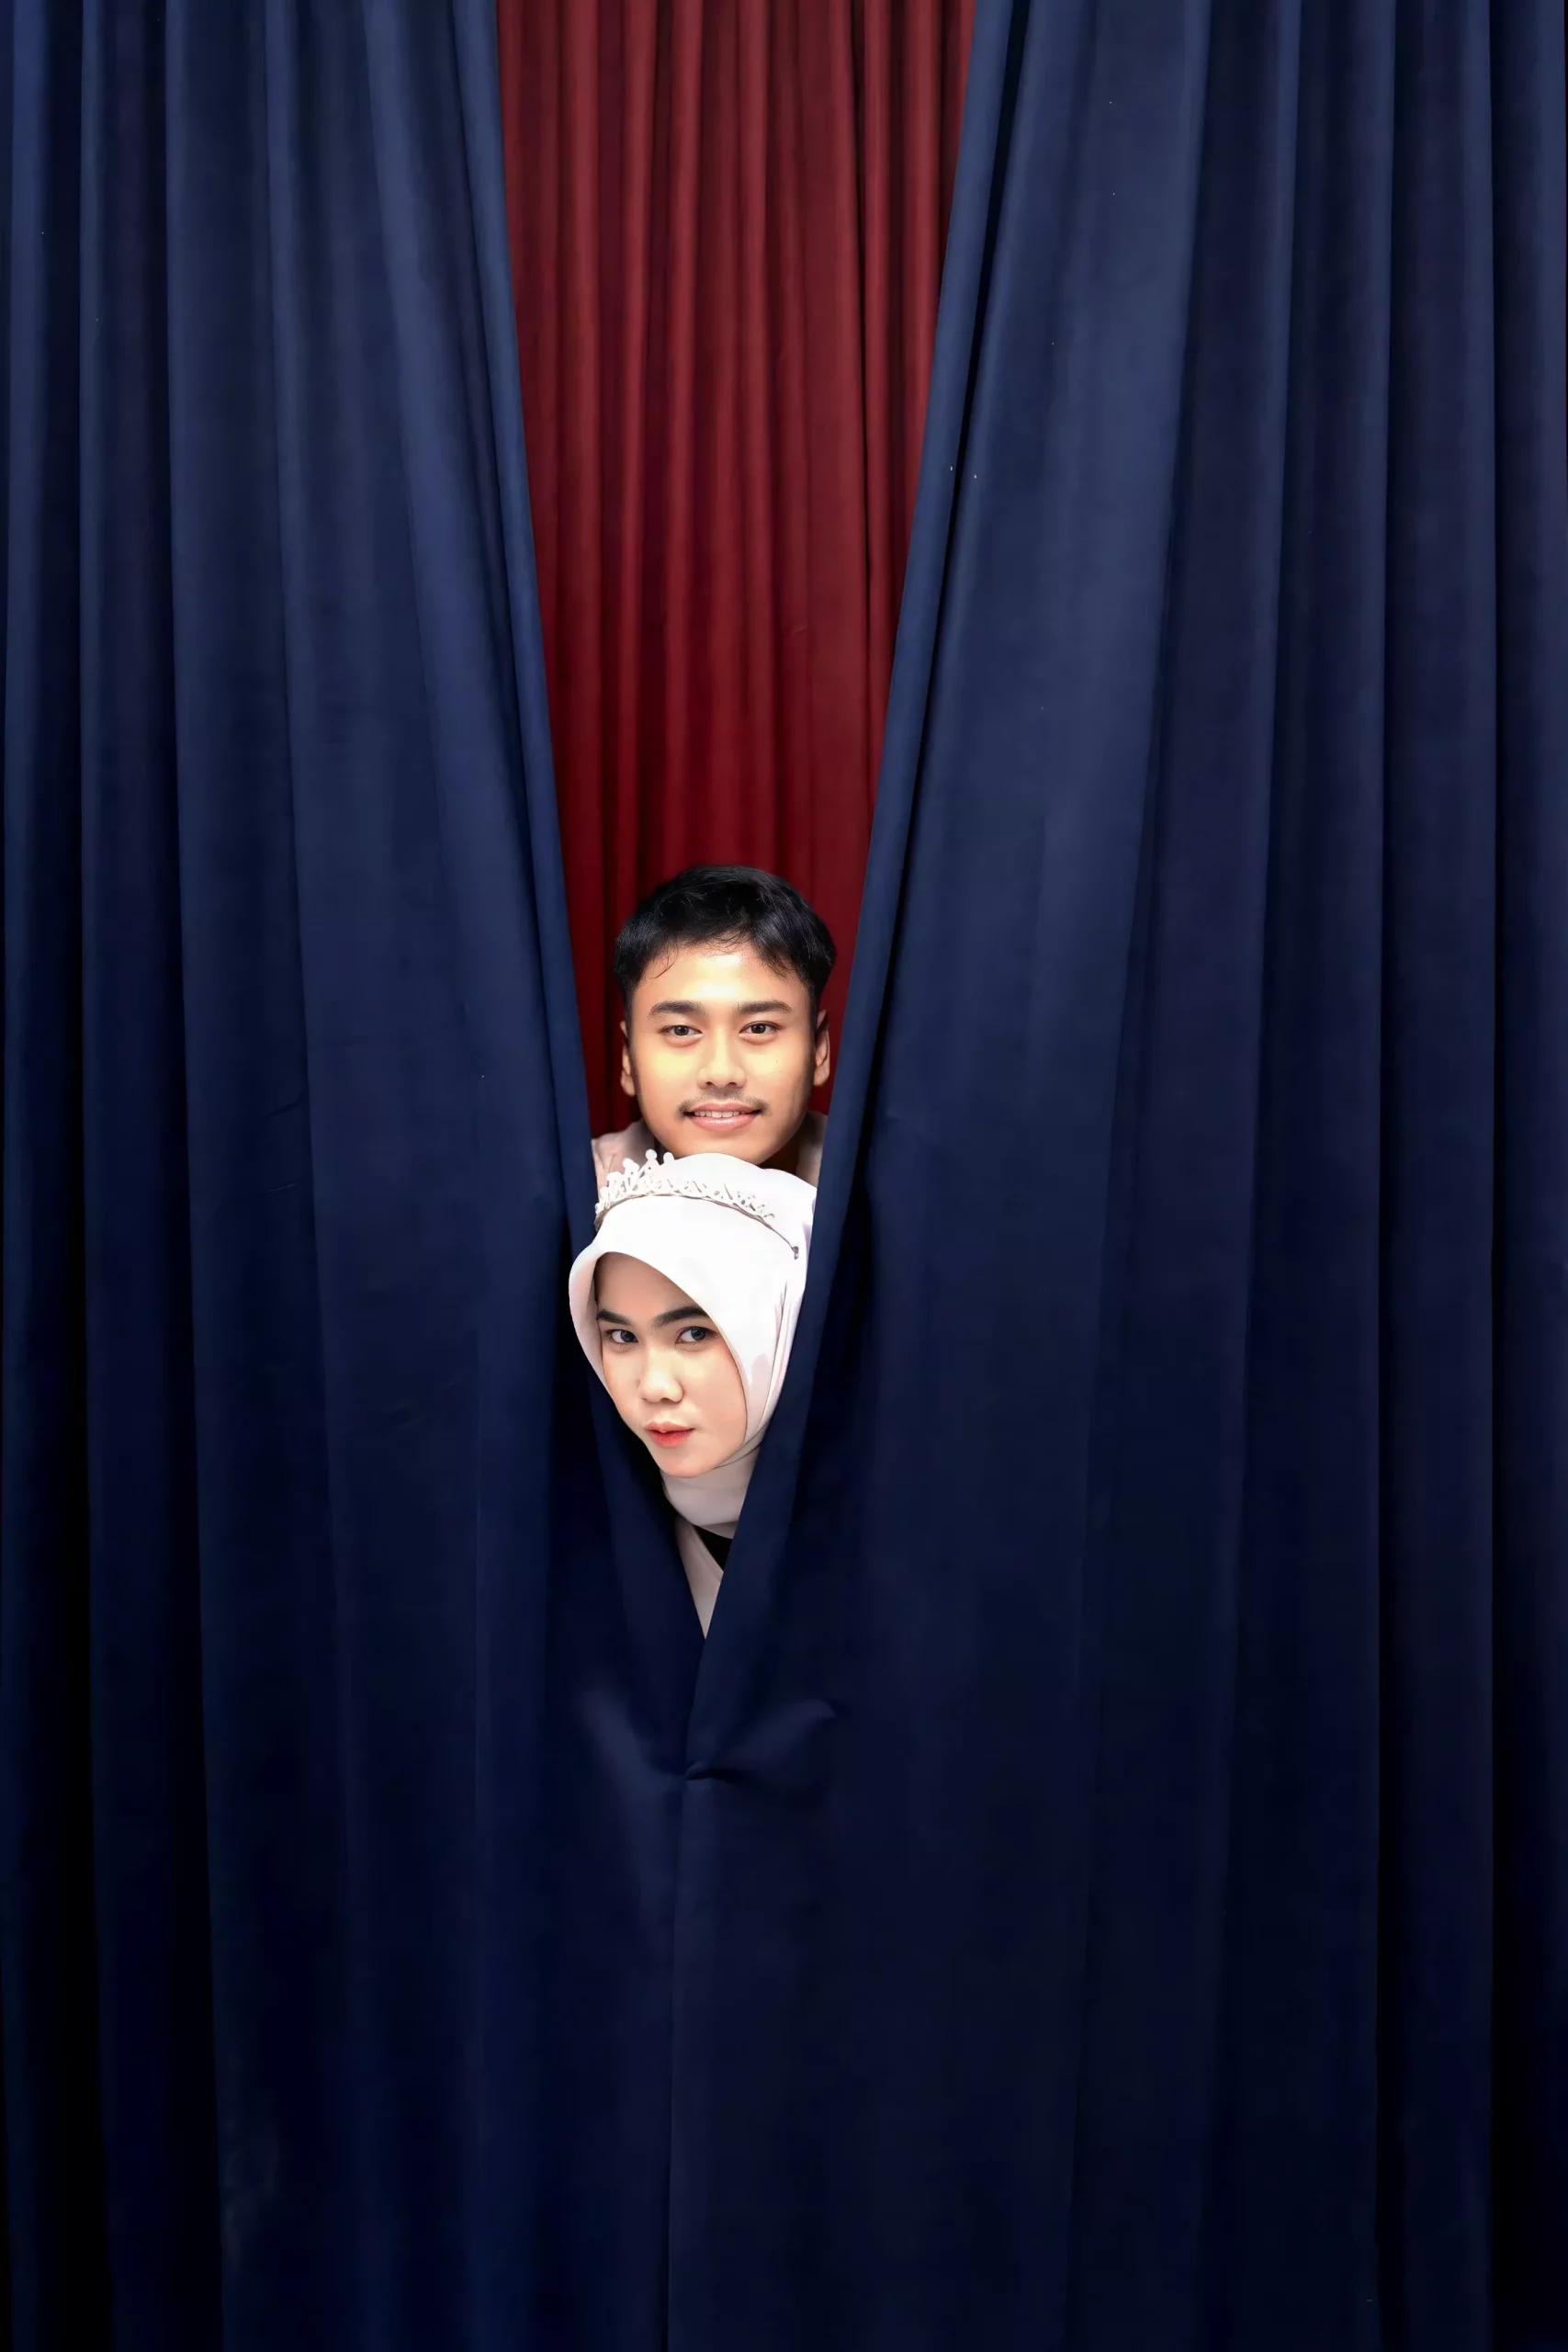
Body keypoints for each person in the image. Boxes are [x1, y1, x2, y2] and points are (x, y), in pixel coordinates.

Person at [568, 1150, 814, 1633]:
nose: (655, 1386)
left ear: (784, 1326)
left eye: (694, 1334)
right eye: (622, 1337)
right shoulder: (574, 1531)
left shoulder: (887, 1539)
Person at [593, 865, 835, 1190]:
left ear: (819, 1050)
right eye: (681, 1030)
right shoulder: (571, 1188)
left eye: (759, 1028)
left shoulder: (886, 1185)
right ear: (628, 1058)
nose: (721, 1074)